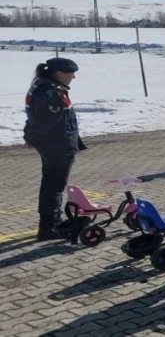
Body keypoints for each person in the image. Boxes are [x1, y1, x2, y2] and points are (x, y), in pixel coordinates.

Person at [24, 57, 86, 240]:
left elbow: (35, 119)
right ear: (58, 73)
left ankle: (50, 222)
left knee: (52, 183)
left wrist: (30, 137)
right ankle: (49, 227)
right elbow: (44, 124)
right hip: (57, 145)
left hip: (55, 143)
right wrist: (31, 137)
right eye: (71, 73)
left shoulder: (45, 88)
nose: (73, 77)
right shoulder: (49, 93)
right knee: (54, 186)